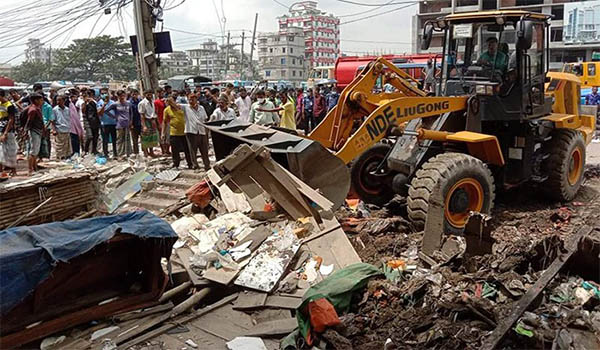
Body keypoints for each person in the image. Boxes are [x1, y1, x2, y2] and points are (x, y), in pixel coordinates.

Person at [180, 93, 210, 170]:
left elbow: (205, 119)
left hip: (201, 131)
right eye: (189, 99)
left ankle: (207, 165)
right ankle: (195, 165)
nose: (191, 101)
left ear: (196, 99)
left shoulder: (201, 108)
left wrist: (207, 132)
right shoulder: (186, 108)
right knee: (193, 150)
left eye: (193, 99)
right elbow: (175, 105)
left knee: (204, 150)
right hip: (191, 131)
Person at [163, 97, 193, 169]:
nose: (170, 103)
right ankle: (176, 163)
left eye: (171, 101)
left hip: (185, 131)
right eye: (168, 102)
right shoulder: (167, 110)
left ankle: (190, 163)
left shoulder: (182, 107)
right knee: (175, 149)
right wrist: (163, 133)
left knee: (187, 149)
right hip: (174, 132)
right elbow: (164, 122)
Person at [104, 90, 132, 158]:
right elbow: (106, 111)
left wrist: (131, 121)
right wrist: (114, 117)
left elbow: (131, 113)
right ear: (118, 96)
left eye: (123, 96)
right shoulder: (115, 104)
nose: (122, 97)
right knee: (120, 139)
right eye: (120, 96)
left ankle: (128, 153)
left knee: (127, 139)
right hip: (119, 124)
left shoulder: (128, 103)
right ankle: (119, 154)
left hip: (127, 123)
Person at [23, 94, 45, 175]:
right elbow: (29, 122)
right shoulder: (33, 110)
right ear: (36, 100)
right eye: (41, 100)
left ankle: (34, 167)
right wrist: (26, 131)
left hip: (37, 131)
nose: (42, 102)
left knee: (36, 151)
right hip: (34, 131)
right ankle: (30, 169)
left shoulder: (37, 109)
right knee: (33, 151)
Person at [0, 89, 18, 176]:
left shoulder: (9, 105)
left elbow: (11, 120)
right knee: (1, 151)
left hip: (8, 131)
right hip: (0, 129)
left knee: (11, 150)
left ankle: (13, 170)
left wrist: (5, 133)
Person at [138, 90, 159, 157]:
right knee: (145, 137)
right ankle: (146, 153)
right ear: (145, 95)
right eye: (148, 94)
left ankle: (151, 151)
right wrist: (144, 126)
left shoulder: (152, 102)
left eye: (151, 94)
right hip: (146, 121)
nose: (150, 96)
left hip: (152, 121)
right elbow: (142, 115)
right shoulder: (142, 103)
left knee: (152, 137)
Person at [51, 95, 72, 159]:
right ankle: (60, 157)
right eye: (57, 100)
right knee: (59, 146)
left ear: (64, 101)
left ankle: (65, 157)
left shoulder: (67, 109)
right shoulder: (55, 109)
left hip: (67, 129)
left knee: (66, 146)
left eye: (60, 100)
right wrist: (54, 130)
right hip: (59, 129)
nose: (58, 102)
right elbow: (52, 120)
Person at [97, 93, 117, 158]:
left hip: (113, 123)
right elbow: (99, 113)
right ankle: (105, 153)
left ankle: (115, 153)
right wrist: (103, 105)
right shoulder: (100, 103)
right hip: (104, 124)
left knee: (114, 139)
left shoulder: (113, 103)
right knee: (105, 140)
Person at [82, 90, 101, 155]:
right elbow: (83, 111)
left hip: (95, 120)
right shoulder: (85, 103)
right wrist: (85, 102)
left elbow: (98, 110)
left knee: (95, 137)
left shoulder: (95, 102)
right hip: (87, 121)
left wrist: (93, 101)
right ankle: (85, 150)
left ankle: (94, 150)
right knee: (90, 136)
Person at [154, 88, 170, 155]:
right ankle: (163, 151)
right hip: (161, 120)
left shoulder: (166, 101)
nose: (161, 94)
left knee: (168, 136)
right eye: (160, 93)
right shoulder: (156, 102)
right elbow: (156, 113)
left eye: (162, 93)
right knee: (162, 137)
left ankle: (167, 150)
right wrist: (158, 123)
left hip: (168, 120)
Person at [129, 89, 142, 155]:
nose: (134, 95)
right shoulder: (129, 103)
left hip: (141, 123)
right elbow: (129, 114)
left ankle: (145, 151)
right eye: (133, 94)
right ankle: (136, 153)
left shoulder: (140, 101)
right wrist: (130, 124)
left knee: (143, 138)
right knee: (135, 140)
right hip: (133, 123)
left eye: (136, 94)